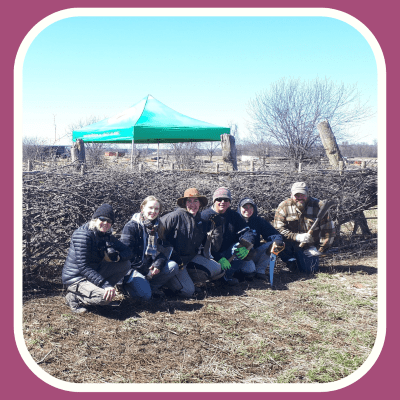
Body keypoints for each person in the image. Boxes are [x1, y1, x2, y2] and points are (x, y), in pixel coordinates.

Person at [62, 204, 132, 313]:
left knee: (125, 264)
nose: (105, 223)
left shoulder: (105, 234)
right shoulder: (83, 235)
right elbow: (83, 267)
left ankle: (99, 292)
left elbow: (128, 251)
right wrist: (106, 285)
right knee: (104, 298)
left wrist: (117, 257)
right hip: (76, 278)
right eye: (102, 219)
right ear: (95, 219)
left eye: (109, 221)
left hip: (93, 273)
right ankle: (74, 297)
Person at [160, 188, 225, 298]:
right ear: (184, 203)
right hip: (173, 262)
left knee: (217, 268)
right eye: (189, 201)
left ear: (200, 203)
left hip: (189, 260)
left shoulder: (202, 220)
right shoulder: (173, 217)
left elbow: (214, 247)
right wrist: (171, 254)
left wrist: (218, 228)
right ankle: (166, 281)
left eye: (196, 201)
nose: (193, 204)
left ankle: (185, 279)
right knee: (188, 291)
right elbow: (158, 238)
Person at [120, 196, 179, 300]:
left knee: (173, 266)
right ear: (142, 208)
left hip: (149, 266)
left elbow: (163, 250)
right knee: (145, 297)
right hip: (134, 269)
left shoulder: (158, 226)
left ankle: (149, 287)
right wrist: (145, 270)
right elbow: (127, 254)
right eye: (150, 208)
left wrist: (158, 264)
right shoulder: (131, 226)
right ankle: (126, 288)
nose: (153, 211)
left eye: (156, 209)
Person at [273, 182, 336, 273]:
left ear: (307, 194)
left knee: (309, 270)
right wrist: (297, 236)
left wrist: (319, 249)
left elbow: (328, 231)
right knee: (279, 241)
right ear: (291, 195)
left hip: (309, 247)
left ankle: (300, 262)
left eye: (303, 195)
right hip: (289, 245)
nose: (300, 198)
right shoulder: (284, 206)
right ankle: (290, 260)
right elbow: (278, 229)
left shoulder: (319, 206)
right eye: (297, 195)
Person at [201, 187, 255, 286]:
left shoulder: (234, 215)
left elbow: (248, 232)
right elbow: (202, 243)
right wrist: (218, 257)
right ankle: (219, 276)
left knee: (250, 268)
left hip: (229, 252)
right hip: (210, 255)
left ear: (229, 202)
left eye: (226, 200)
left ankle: (228, 276)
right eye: (219, 199)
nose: (222, 202)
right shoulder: (205, 216)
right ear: (214, 201)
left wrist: (246, 245)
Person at [235, 197, 284, 281]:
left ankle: (260, 271)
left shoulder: (258, 221)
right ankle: (240, 271)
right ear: (239, 208)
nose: (248, 209)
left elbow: (273, 234)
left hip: (254, 252)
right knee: (249, 271)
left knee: (272, 245)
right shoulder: (234, 221)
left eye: (250, 207)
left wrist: (278, 240)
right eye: (245, 207)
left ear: (254, 209)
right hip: (240, 254)